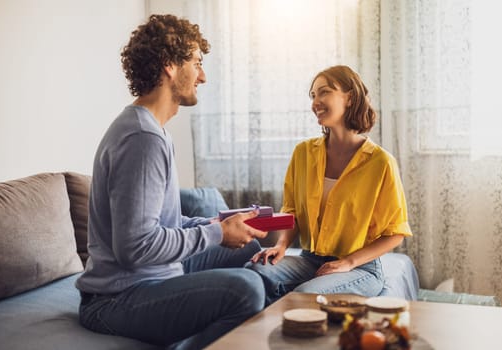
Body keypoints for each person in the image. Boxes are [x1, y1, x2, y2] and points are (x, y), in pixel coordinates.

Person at [75, 14, 268, 349]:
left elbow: (160, 223)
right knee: (246, 290)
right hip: (116, 299)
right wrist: (217, 233)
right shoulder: (142, 138)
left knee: (248, 248)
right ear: (169, 66)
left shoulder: (152, 130)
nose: (203, 76)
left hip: (149, 277)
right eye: (196, 63)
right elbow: (135, 248)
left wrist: (215, 224)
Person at [246, 65, 413, 306]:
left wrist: (348, 262)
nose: (316, 102)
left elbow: (396, 232)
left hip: (360, 268)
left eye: (324, 92)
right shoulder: (303, 153)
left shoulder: (381, 162)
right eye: (313, 96)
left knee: (305, 297)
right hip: (310, 259)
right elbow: (291, 211)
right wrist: (281, 245)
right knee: (253, 273)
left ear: (350, 97)